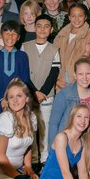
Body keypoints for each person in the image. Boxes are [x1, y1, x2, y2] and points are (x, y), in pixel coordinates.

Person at [0, 80, 41, 179]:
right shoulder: (5, 119)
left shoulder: (32, 118)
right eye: (11, 97)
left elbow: (28, 145)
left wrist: (28, 167)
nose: (15, 100)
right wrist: (19, 178)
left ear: (27, 98)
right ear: (7, 101)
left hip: (17, 171)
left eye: (19, 96)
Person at [22, 14, 60, 160]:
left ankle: (44, 159)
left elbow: (53, 73)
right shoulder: (25, 46)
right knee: (29, 126)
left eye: (46, 26)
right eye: (39, 26)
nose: (42, 29)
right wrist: (34, 92)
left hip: (46, 96)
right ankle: (32, 159)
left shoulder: (54, 49)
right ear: (34, 28)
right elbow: (23, 72)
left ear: (51, 30)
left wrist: (42, 92)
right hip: (29, 94)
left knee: (45, 127)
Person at [48, 57, 90, 146]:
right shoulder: (64, 94)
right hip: (67, 143)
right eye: (80, 74)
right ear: (75, 75)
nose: (84, 77)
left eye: (88, 73)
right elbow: (53, 124)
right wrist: (53, 148)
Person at [0, 21, 31, 118]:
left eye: (14, 34)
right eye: (7, 33)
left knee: (18, 124)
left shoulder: (22, 56)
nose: (10, 36)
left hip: (18, 101)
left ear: (18, 37)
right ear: (1, 36)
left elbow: (25, 80)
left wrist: (17, 98)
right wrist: (1, 99)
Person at [53, 3, 90, 89]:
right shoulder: (61, 34)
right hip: (60, 80)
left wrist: (87, 53)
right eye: (73, 16)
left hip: (80, 83)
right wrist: (56, 80)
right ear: (69, 17)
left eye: (80, 16)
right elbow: (53, 59)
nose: (76, 19)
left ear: (85, 17)